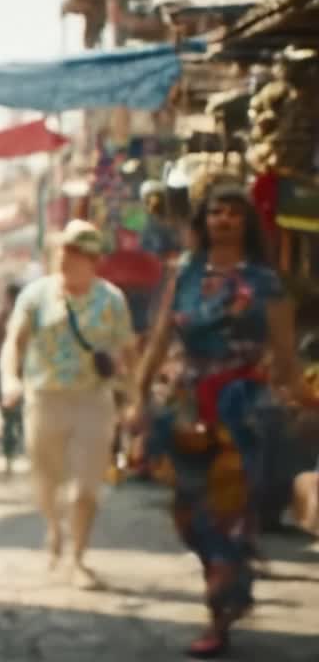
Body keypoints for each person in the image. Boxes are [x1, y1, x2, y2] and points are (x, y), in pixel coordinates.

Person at [132, 182, 318, 658]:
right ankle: (232, 583)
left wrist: (302, 395)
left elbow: (284, 354)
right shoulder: (184, 274)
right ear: (204, 220)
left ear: (247, 222)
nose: (225, 220)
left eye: (235, 213)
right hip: (186, 408)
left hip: (243, 411)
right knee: (189, 518)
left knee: (228, 517)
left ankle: (220, 610)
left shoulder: (266, 281)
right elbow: (157, 341)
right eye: (217, 212)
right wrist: (137, 398)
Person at [0, 219, 137, 589]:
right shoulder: (36, 295)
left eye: (75, 253)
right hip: (44, 399)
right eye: (62, 250)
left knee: (86, 486)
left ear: (92, 259)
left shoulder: (111, 299)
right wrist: (10, 380)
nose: (65, 258)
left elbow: (129, 350)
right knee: (46, 481)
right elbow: (14, 341)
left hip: (93, 400)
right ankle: (52, 528)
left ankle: (77, 556)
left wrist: (133, 398)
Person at [0, 281, 24, 477]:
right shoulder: (1, 318)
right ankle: (10, 455)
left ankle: (12, 455)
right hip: (8, 374)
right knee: (12, 418)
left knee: (13, 418)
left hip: (16, 374)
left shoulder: (8, 317)